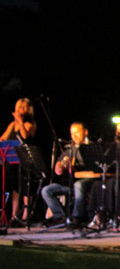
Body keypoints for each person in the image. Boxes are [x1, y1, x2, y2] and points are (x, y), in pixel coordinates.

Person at [40, 122, 93, 227]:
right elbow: (60, 162)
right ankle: (60, 217)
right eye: (72, 134)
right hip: (70, 184)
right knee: (46, 190)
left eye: (77, 132)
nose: (74, 136)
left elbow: (95, 169)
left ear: (85, 132)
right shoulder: (70, 149)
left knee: (79, 185)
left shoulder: (92, 147)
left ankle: (76, 217)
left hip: (87, 183)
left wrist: (76, 169)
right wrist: (59, 166)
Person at [1, 97, 37, 227]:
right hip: (13, 161)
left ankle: (25, 216)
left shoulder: (30, 123)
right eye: (20, 107)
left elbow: (25, 136)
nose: (22, 109)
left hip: (26, 159)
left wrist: (20, 121)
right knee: (14, 187)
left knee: (25, 185)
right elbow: (3, 138)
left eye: (25, 107)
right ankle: (14, 215)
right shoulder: (12, 124)